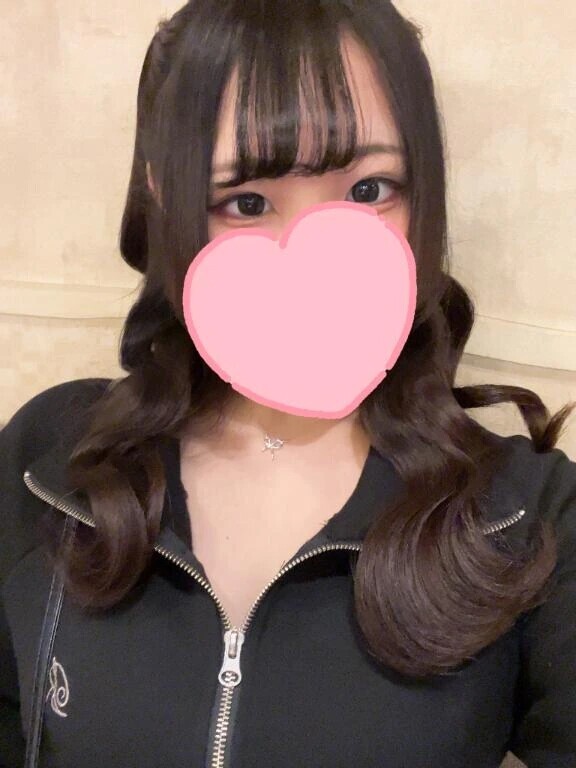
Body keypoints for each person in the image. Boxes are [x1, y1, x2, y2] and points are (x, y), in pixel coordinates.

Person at [1, 1, 575, 766]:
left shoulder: (526, 514)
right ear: (166, 200)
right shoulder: (50, 464)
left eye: (370, 191)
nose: (317, 260)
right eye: (246, 202)